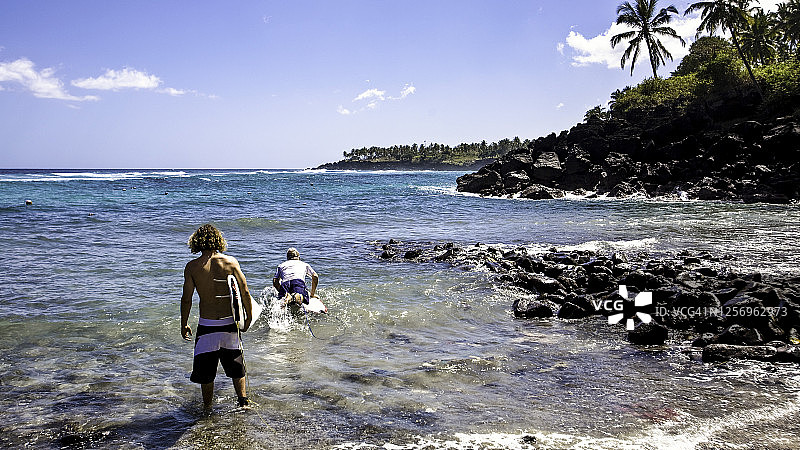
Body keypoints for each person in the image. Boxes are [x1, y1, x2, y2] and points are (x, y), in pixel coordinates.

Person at [180, 224, 254, 411]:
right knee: (236, 365)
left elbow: (186, 299)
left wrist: (184, 323)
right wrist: (248, 318)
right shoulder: (230, 262)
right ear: (218, 240)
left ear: (196, 241)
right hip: (229, 323)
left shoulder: (192, 267)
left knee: (206, 372)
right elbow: (244, 292)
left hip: (206, 325)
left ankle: (207, 408)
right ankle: (243, 402)